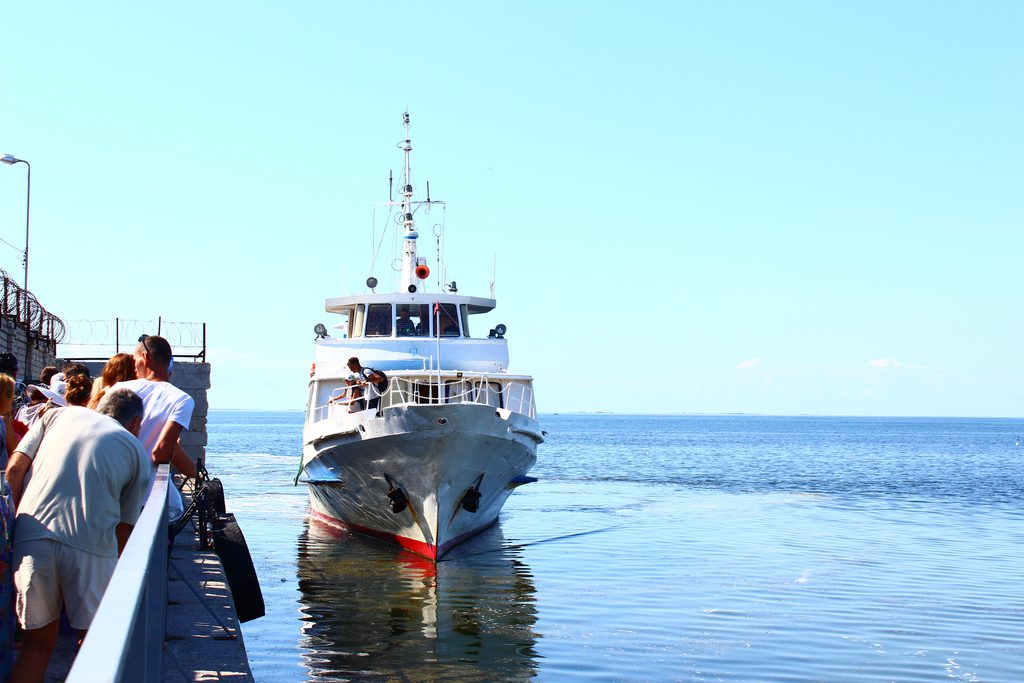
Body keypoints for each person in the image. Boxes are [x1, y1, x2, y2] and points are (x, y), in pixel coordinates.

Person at [5, 389, 151, 682]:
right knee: (95, 647)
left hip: (32, 538)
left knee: (35, 648)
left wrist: (11, 532)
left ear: (98, 405)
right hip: (91, 549)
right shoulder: (135, 451)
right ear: (136, 423)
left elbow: (14, 470)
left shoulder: (58, 416)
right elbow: (125, 527)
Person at [110, 335, 196, 520]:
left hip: (113, 489)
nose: (134, 366)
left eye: (135, 360)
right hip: (146, 497)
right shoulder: (181, 400)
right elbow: (160, 454)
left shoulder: (118, 389)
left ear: (146, 357)